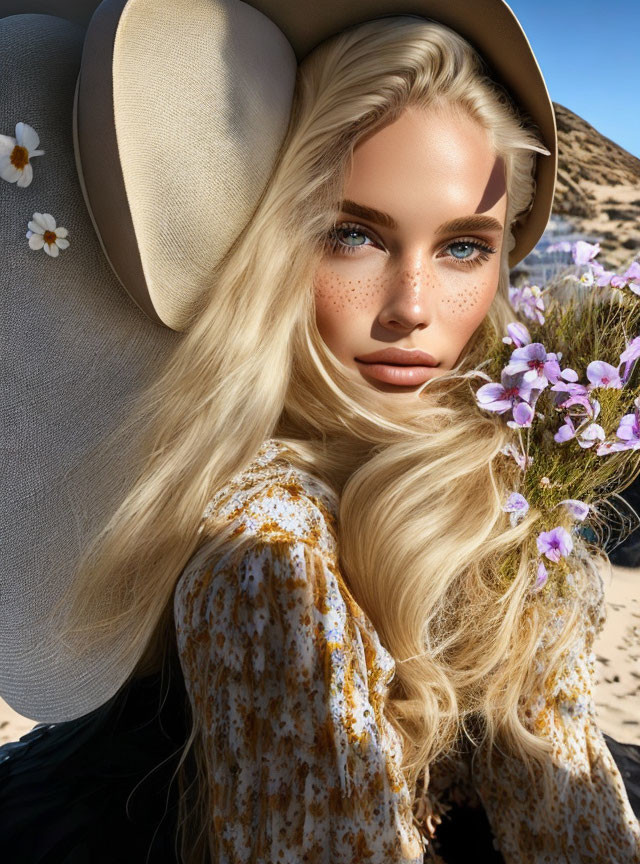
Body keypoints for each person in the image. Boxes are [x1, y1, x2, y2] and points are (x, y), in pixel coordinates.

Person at [1, 2, 639, 863]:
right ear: (276, 242)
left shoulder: (496, 486)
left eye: (463, 248)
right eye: (354, 235)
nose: (412, 309)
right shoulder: (270, 547)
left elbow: (579, 824)